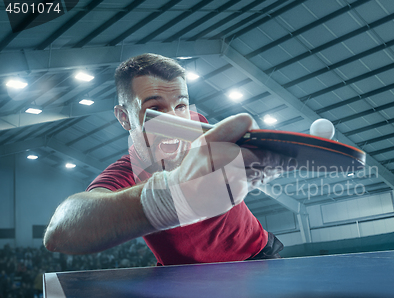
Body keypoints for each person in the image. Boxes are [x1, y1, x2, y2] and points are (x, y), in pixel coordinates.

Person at [44, 53, 287, 265]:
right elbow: (58, 232)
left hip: (257, 253)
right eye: (155, 110)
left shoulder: (201, 129)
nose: (175, 123)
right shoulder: (125, 173)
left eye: (180, 106)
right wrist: (165, 200)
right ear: (124, 118)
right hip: (184, 276)